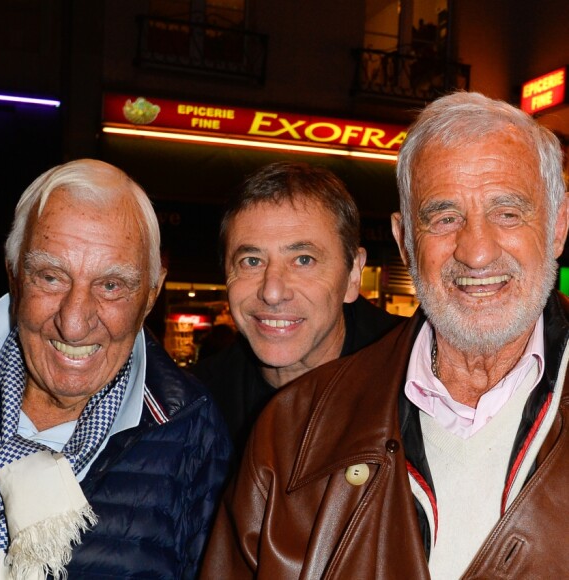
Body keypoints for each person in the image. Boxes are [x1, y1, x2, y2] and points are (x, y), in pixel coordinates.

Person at [201, 92, 569, 579]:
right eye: (443, 217)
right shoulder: (288, 432)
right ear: (404, 242)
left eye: (507, 212)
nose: (476, 252)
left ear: (559, 225)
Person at [0, 159, 231, 579]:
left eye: (111, 285)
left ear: (150, 296)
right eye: (50, 276)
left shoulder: (193, 431)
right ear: (15, 276)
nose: (74, 321)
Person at [191, 161, 400, 455]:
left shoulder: (420, 383)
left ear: (353, 274)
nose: (272, 292)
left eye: (303, 260)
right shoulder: (195, 405)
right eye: (251, 261)